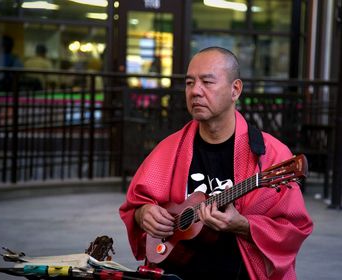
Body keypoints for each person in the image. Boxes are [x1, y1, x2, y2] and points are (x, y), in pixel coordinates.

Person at [119, 46, 313, 279]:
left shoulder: (270, 154)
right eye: (190, 83)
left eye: (207, 82)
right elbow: (134, 206)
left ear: (235, 89)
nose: (195, 92)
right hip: (173, 271)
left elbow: (294, 229)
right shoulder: (170, 148)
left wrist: (243, 225)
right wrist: (144, 213)